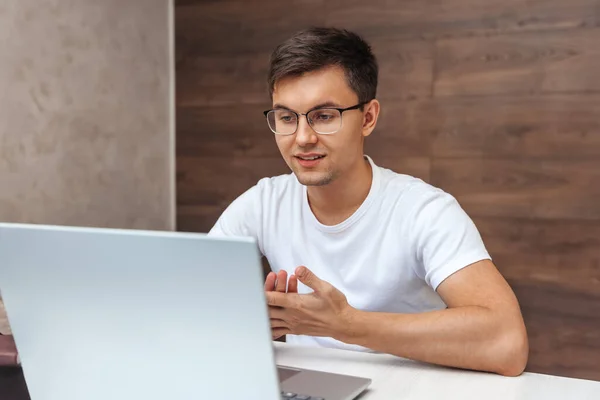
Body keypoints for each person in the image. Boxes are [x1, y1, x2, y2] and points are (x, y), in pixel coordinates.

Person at [207, 27, 529, 376]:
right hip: (307, 386)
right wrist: (247, 319)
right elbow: (184, 298)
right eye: (286, 118)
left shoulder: (424, 211)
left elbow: (507, 343)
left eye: (324, 116)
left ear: (369, 117)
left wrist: (346, 324)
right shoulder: (263, 203)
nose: (302, 138)